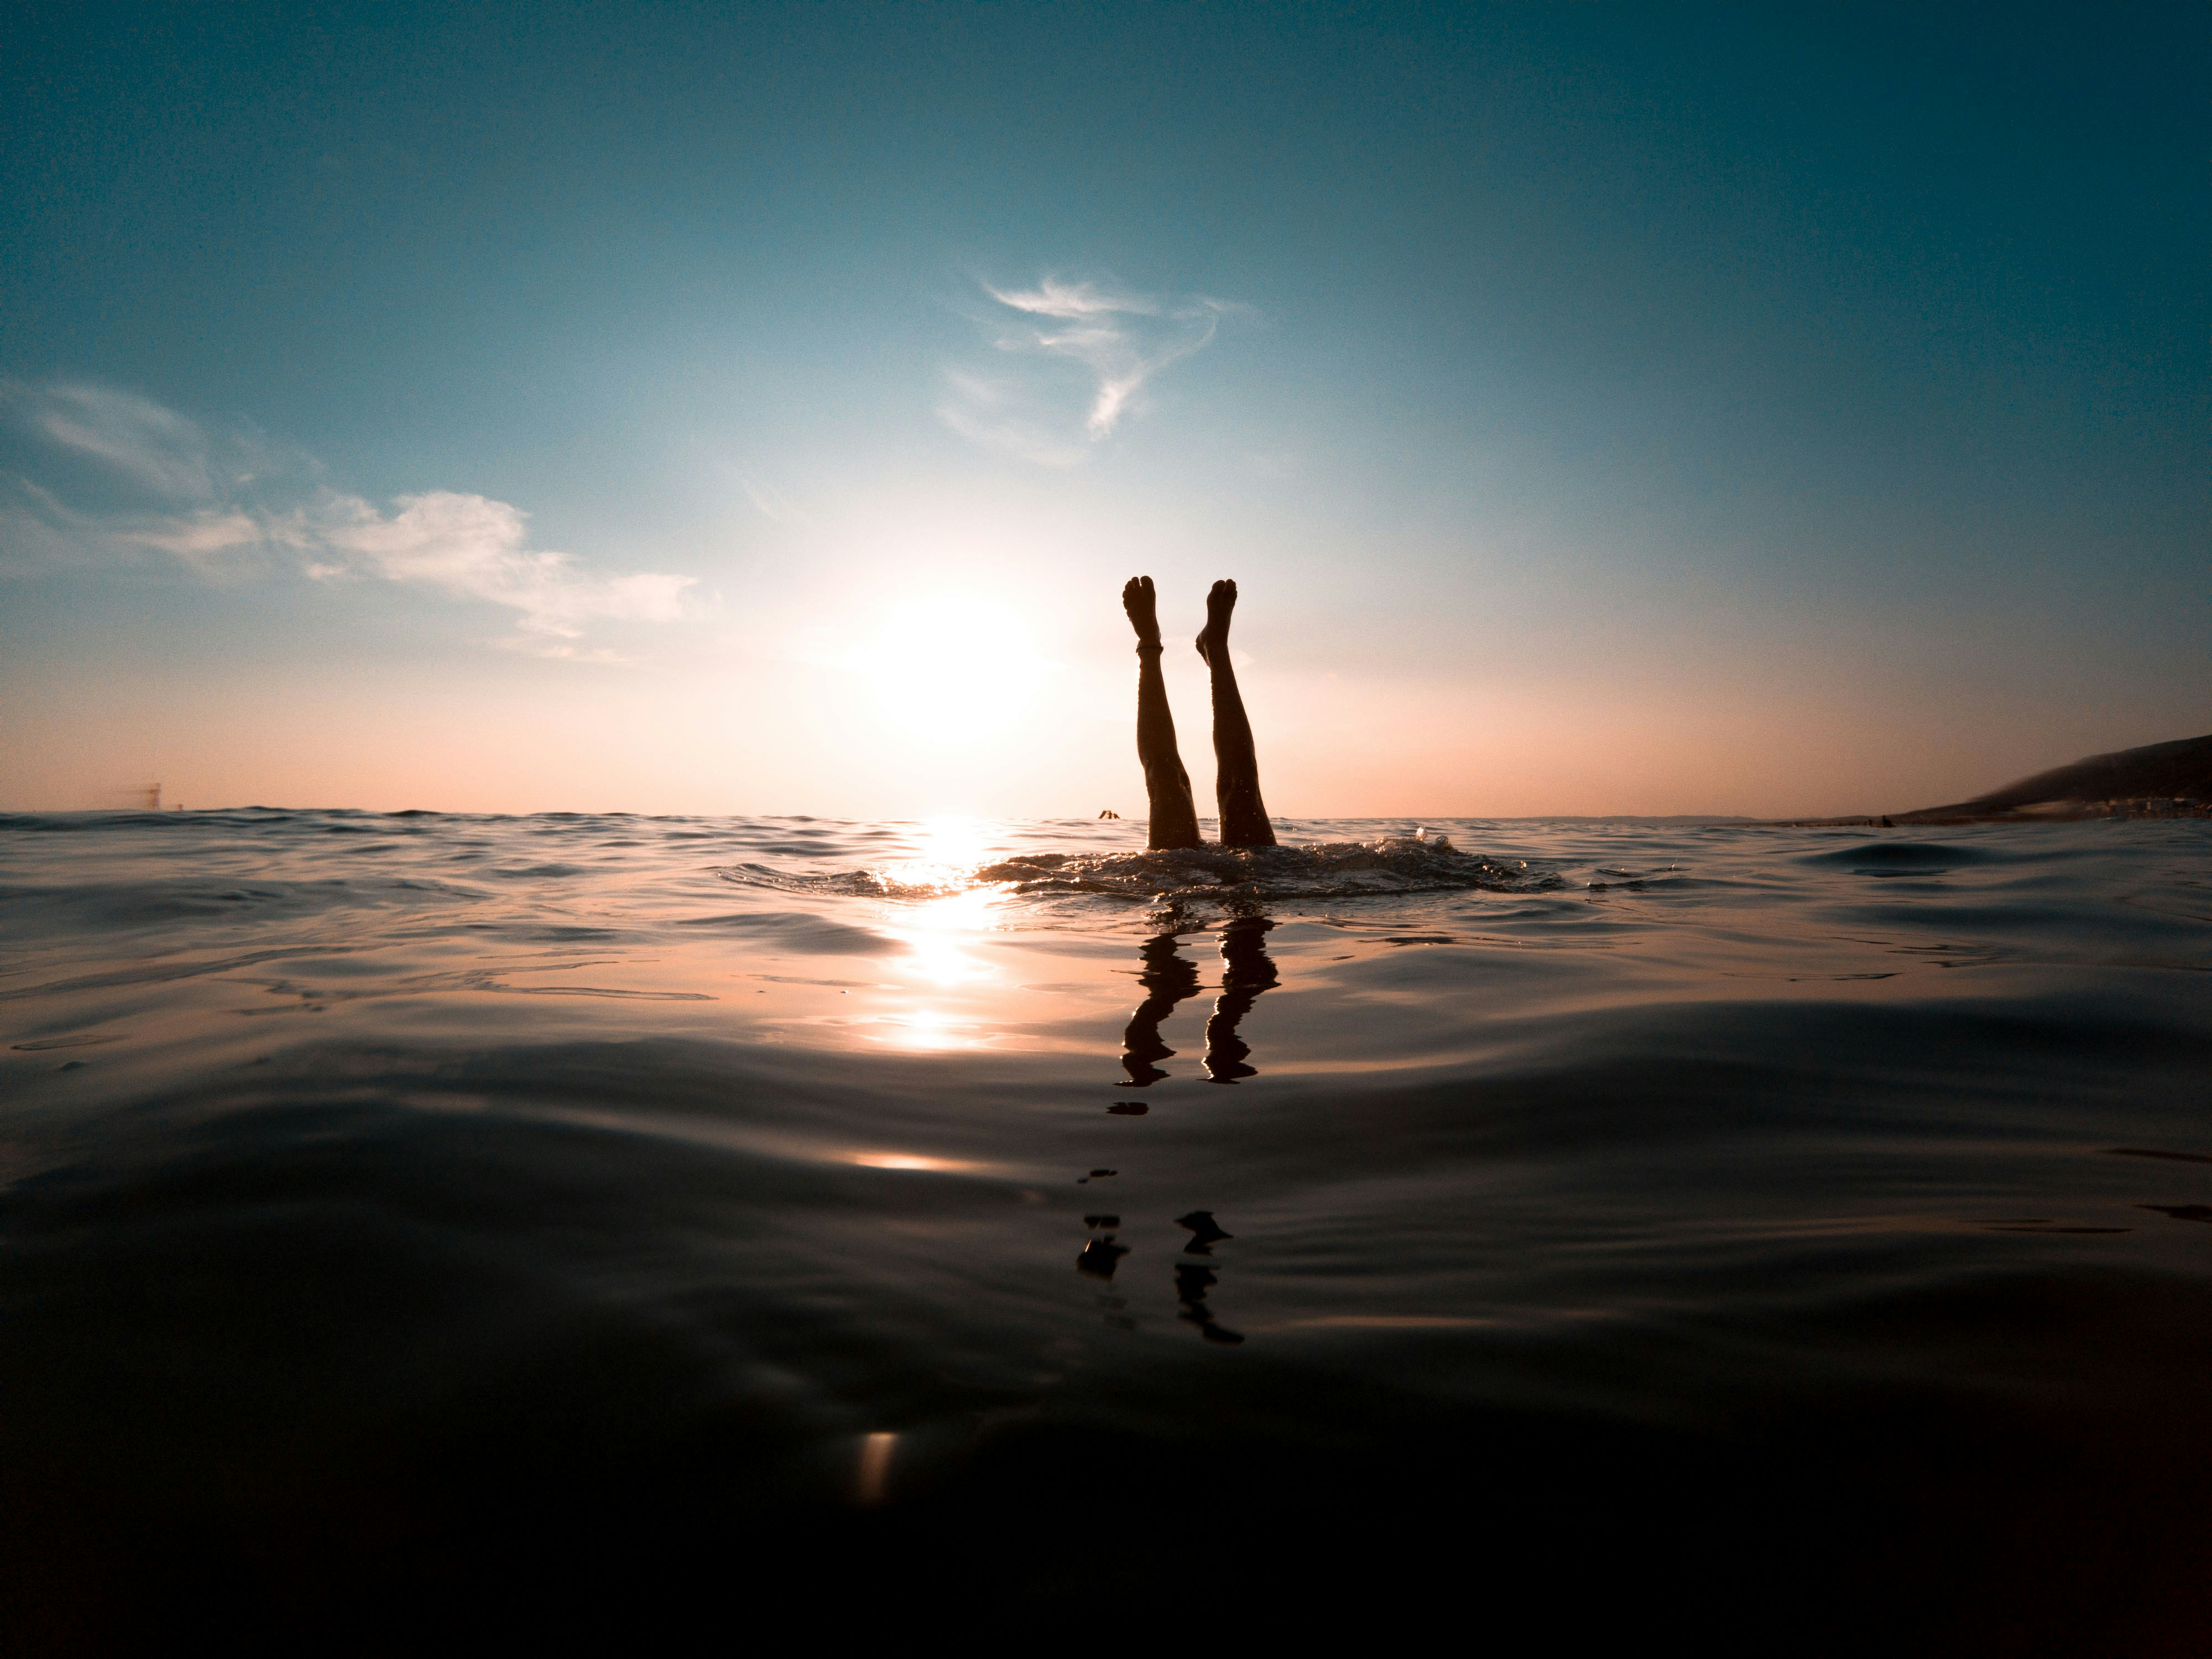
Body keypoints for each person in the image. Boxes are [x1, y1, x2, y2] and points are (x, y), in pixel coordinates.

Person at [1120, 577, 1276, 849]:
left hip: (1184, 875)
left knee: (1239, 783)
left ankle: (1208, 645)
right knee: (1172, 779)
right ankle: (1159, 643)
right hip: (1248, 875)